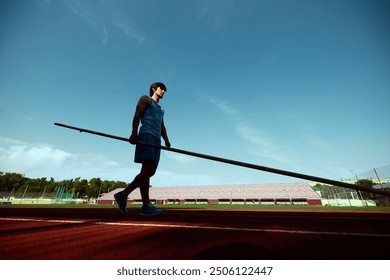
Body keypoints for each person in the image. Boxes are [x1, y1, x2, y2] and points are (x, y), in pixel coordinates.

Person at [114, 82, 171, 216]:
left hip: (157, 140)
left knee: (150, 171)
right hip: (146, 135)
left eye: (164, 90)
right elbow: (137, 115)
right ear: (154, 89)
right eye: (161, 89)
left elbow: (162, 125)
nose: (163, 91)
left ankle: (123, 194)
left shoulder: (162, 109)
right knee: (146, 169)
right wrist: (134, 132)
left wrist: (166, 140)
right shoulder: (145, 99)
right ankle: (146, 205)